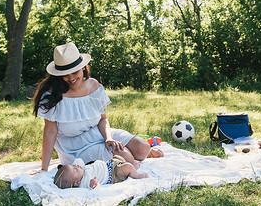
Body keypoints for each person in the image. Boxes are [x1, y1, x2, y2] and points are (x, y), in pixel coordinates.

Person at [33, 42, 163, 172]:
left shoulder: (94, 86)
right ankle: (130, 157)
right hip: (75, 147)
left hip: (98, 133)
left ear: (83, 67)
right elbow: (50, 132)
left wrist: (109, 138)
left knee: (143, 147)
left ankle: (145, 153)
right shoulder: (52, 95)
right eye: (65, 74)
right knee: (126, 158)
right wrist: (44, 169)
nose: (71, 78)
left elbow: (103, 119)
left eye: (75, 72)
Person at [54, 155, 149, 189]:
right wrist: (93, 184)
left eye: (73, 166)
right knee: (127, 167)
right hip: (112, 174)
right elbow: (94, 187)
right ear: (77, 182)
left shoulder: (81, 169)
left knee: (120, 158)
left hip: (109, 164)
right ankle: (136, 174)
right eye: (75, 169)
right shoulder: (85, 182)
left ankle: (132, 168)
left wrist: (73, 167)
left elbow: (78, 160)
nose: (76, 166)